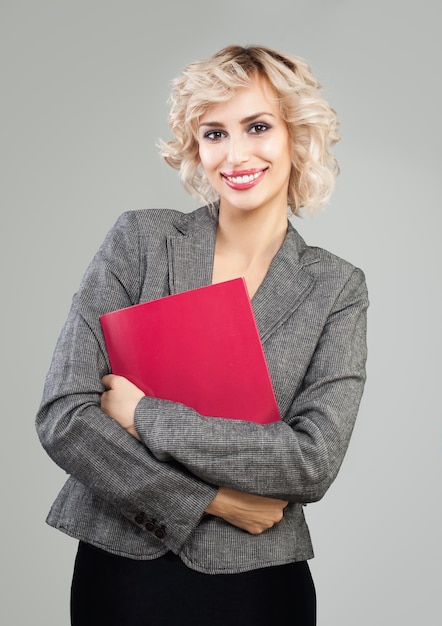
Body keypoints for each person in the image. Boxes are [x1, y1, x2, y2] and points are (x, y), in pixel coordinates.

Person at [36, 44, 368, 626]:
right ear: (195, 146)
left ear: (297, 136)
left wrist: (145, 416)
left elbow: (309, 464)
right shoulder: (139, 243)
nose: (235, 154)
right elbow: (66, 417)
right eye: (214, 133)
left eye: (258, 127)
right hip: (122, 571)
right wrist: (214, 501)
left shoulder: (334, 287)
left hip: (259, 586)